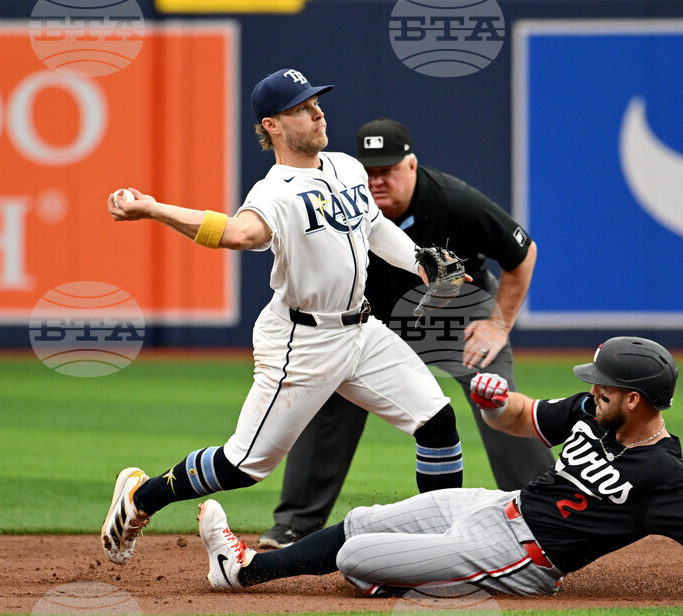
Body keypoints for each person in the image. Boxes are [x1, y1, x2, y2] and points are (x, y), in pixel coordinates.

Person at [100, 69, 471, 566]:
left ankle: (439, 546)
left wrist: (418, 259)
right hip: (303, 340)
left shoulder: (344, 166)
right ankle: (141, 498)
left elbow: (375, 225)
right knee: (243, 465)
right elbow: (238, 234)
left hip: (362, 330)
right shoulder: (274, 191)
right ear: (272, 125)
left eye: (317, 102)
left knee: (437, 422)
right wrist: (153, 209)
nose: (317, 112)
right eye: (302, 108)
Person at [196, 336, 683, 604]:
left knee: (359, 556)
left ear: (635, 399)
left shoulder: (664, 476)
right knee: (361, 520)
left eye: (606, 388)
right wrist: (493, 398)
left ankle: (432, 580)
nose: (593, 392)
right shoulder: (593, 412)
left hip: (525, 560)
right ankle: (242, 571)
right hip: (496, 507)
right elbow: (525, 417)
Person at [259, 118, 554, 549]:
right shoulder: (337, 202)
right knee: (329, 396)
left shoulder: (454, 201)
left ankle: (547, 515)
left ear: (412, 166)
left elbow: (523, 253)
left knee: (494, 394)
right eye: (371, 170)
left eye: (389, 169)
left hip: (456, 316)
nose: (378, 180)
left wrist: (497, 324)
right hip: (372, 317)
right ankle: (296, 524)